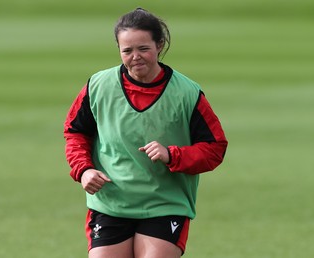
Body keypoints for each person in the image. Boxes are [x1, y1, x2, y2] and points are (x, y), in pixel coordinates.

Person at [64, 8, 228, 258]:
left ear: (159, 45)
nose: (135, 57)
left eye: (143, 48)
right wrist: (84, 170)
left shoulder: (186, 93)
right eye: (127, 51)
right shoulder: (98, 86)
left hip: (164, 204)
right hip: (110, 202)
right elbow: (75, 132)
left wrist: (172, 155)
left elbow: (215, 147)